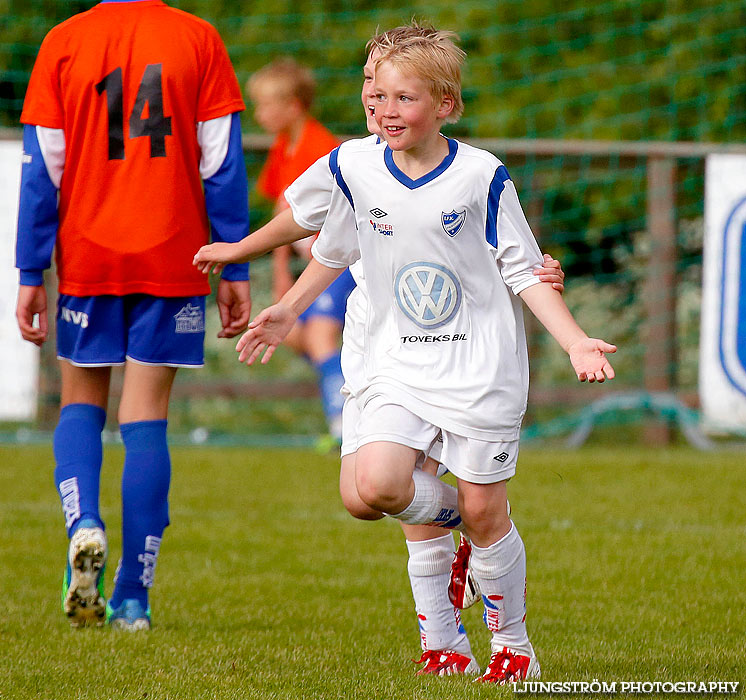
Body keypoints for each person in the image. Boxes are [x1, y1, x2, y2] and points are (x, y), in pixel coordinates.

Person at [202, 30, 616, 683]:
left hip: (476, 365)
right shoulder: (353, 165)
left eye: (403, 97)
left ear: (446, 103)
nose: (385, 111)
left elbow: (527, 272)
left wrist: (575, 339)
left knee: (479, 511)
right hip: (390, 357)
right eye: (374, 99)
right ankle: (453, 611)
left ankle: (507, 645)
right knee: (373, 489)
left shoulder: (481, 176)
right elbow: (326, 240)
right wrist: (280, 296)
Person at [15, 0, 252, 631]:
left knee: (80, 404)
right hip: (176, 253)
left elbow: (44, 168)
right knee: (146, 417)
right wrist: (236, 268)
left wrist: (29, 270)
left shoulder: (64, 42)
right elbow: (221, 164)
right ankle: (132, 600)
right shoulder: (198, 38)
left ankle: (83, 522)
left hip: (89, 256)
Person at [248, 57, 351, 443]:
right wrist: (280, 277)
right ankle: (354, 392)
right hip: (308, 264)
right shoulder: (282, 148)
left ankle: (344, 425)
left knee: (321, 336)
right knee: (295, 336)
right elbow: (282, 215)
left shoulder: (321, 148)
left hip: (338, 262)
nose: (259, 113)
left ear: (292, 106)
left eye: (265, 104)